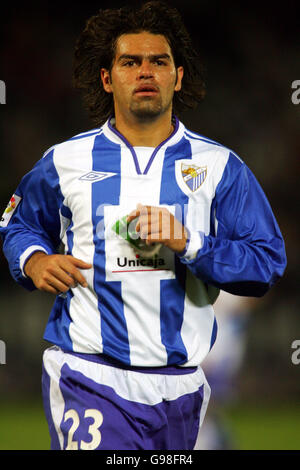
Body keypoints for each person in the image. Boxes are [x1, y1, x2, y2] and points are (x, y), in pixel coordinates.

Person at [0, 1, 286, 450]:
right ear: (107, 78)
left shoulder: (219, 167)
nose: (146, 72)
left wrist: (188, 241)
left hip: (182, 388)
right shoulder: (64, 161)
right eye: (130, 62)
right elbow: (18, 224)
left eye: (159, 62)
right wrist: (34, 260)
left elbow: (266, 262)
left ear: (178, 76)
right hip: (89, 373)